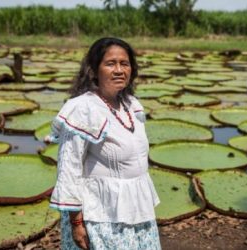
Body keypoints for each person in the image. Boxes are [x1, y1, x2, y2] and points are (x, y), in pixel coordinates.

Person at [45, 37, 161, 250]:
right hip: (100, 216)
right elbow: (69, 169)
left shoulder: (131, 104)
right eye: (110, 63)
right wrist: (76, 222)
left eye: (124, 64)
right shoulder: (83, 109)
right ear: (94, 70)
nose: (119, 70)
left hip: (136, 212)